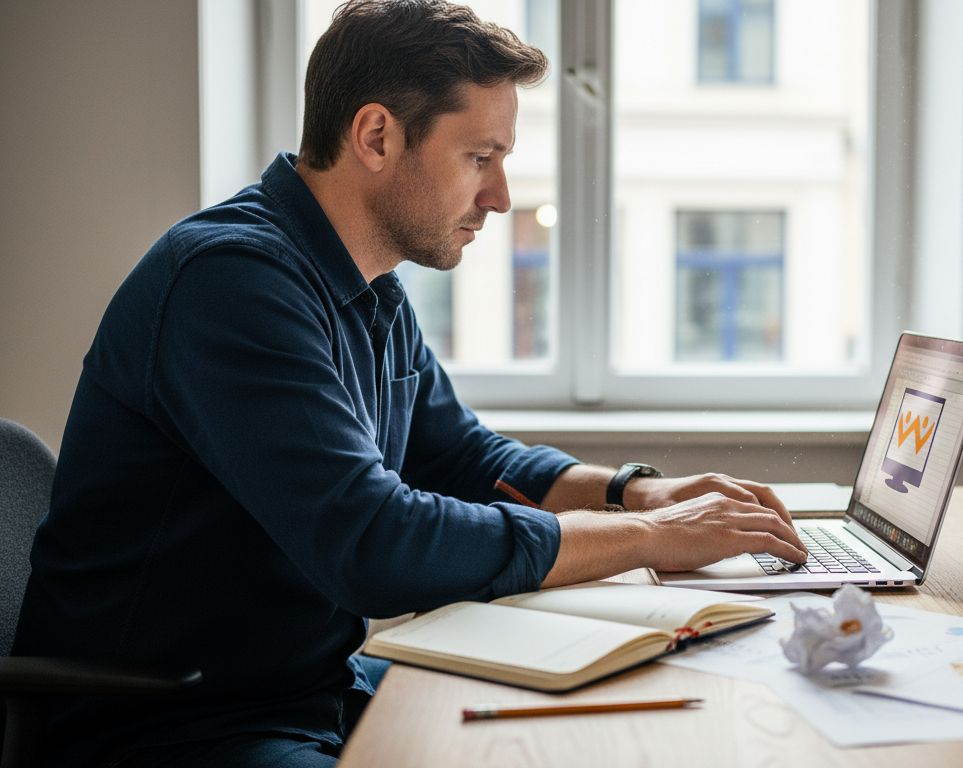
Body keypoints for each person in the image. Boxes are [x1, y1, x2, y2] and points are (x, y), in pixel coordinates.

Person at [12, 2, 807, 766]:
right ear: (377, 135)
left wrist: (637, 496)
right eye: (480, 158)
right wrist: (647, 542)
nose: (498, 198)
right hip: (171, 729)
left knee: (596, 724)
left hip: (306, 693)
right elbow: (372, 543)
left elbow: (459, 455)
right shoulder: (228, 282)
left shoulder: (369, 288)